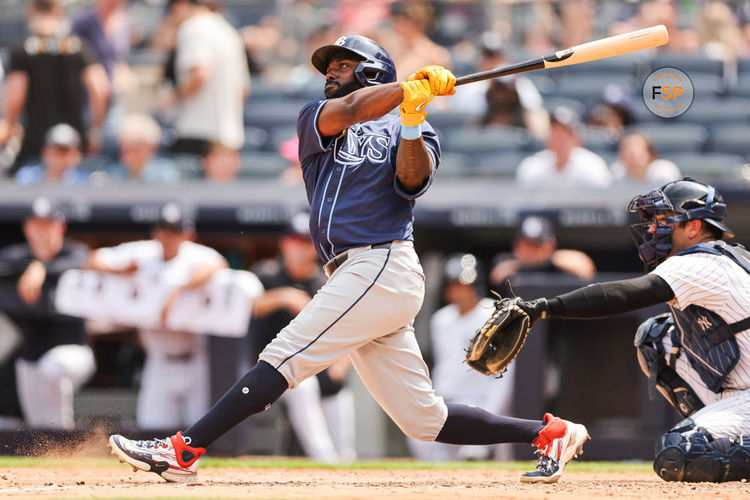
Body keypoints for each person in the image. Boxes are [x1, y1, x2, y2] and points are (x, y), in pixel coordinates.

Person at [108, 34, 588, 485]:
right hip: (357, 274)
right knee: (426, 420)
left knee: (284, 354)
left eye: (344, 65)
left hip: (382, 261)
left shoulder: (414, 126)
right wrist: (409, 90)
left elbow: (412, 181)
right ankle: (549, 433)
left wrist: (414, 119)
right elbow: (355, 108)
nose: (330, 72)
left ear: (374, 71)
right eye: (328, 67)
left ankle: (183, 450)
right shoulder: (318, 115)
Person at [492, 178, 750, 483]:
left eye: (664, 221)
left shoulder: (700, 261)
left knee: (679, 453)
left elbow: (625, 294)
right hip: (736, 389)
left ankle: (724, 435)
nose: (653, 229)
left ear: (693, 227)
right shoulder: (713, 257)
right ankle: (723, 428)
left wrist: (543, 308)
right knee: (655, 339)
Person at [85, 203, 228, 431]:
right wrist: (121, 272)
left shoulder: (196, 254)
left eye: (175, 231)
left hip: (196, 360)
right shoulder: (143, 252)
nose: (168, 236)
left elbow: (219, 266)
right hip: (158, 360)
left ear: (188, 234)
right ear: (155, 232)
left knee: (201, 432)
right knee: (152, 430)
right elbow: (92, 259)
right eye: (164, 230)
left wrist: (179, 289)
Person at [249, 212, 356, 461]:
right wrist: (283, 296)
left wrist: (342, 363)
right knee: (304, 388)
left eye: (305, 242)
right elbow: (250, 305)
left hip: (321, 368)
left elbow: (349, 325)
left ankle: (342, 467)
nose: (299, 248)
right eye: (294, 241)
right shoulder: (267, 274)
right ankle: (324, 458)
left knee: (344, 437)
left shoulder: (325, 280)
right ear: (284, 243)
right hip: (282, 370)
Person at [0, 198, 95, 430]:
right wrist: (29, 266)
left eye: (47, 224)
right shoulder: (16, 257)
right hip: (29, 358)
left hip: (73, 353)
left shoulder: (75, 253)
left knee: (51, 367)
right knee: (38, 425)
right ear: (27, 228)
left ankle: (66, 442)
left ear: (60, 226)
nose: (41, 232)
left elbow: (86, 261)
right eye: (36, 225)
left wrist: (42, 267)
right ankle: (55, 462)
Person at [409, 253, 515, 461]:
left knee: (478, 456)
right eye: (452, 284)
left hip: (482, 402)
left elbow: (505, 374)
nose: (456, 290)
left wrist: (492, 415)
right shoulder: (441, 319)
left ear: (476, 284)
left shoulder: (494, 315)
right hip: (448, 401)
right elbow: (443, 366)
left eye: (462, 284)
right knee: (418, 437)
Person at [0, 0, 109, 171]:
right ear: (59, 13)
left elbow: (15, 97)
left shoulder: (21, 50)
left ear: (29, 12)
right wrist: (94, 131)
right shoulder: (78, 47)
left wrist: (11, 128)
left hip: (37, 146)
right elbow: (100, 90)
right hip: (72, 146)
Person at [166, 0, 250, 158]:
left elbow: (201, 74)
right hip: (229, 137)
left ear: (181, 5)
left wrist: (175, 98)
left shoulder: (192, 28)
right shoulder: (229, 31)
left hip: (197, 133)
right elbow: (243, 91)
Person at [490, 215, 596, 294]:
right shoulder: (506, 261)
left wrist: (549, 258)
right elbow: (496, 276)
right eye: (523, 244)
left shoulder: (556, 263)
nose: (527, 250)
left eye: (534, 245)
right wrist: (522, 263)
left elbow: (586, 270)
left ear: (550, 245)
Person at [515, 106, 612, 189]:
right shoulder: (532, 166)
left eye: (564, 135)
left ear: (577, 140)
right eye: (554, 133)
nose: (558, 139)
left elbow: (601, 202)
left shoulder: (592, 167)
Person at [106, 114, 181, 184]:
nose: (129, 157)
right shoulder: (115, 173)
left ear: (152, 148)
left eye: (136, 150)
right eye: (125, 151)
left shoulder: (167, 175)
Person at [15, 124, 91, 185]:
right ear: (45, 153)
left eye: (65, 151)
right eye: (57, 150)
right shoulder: (27, 177)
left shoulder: (84, 182)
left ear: (77, 155)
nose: (60, 157)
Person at [610, 132, 682, 185]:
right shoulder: (615, 174)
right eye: (626, 149)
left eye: (638, 147)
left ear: (650, 153)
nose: (633, 154)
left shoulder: (664, 173)